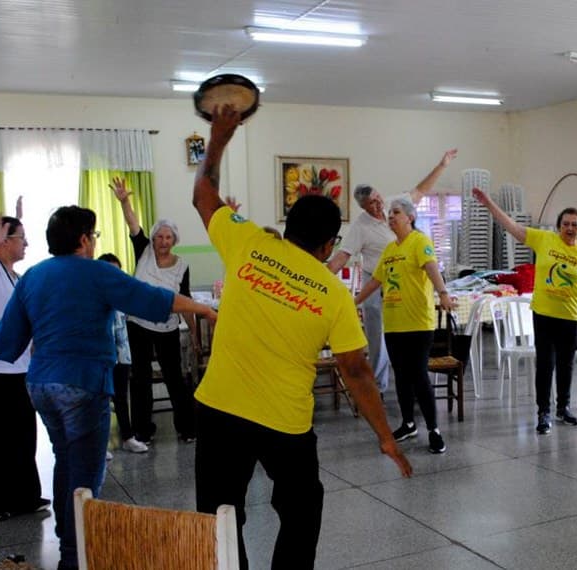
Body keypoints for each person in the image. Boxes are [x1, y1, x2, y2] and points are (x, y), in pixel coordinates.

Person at [192, 104, 412, 570]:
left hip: (221, 409)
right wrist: (384, 435)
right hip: (283, 423)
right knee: (301, 512)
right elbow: (356, 370)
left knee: (218, 519)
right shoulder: (333, 294)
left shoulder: (248, 242)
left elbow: (203, 194)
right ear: (330, 244)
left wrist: (219, 138)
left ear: (289, 226)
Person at [0, 205, 216, 570]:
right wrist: (205, 309)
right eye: (94, 235)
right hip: (81, 384)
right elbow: (152, 298)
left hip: (42, 387)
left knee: (66, 461)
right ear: (84, 239)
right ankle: (75, 558)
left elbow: (7, 333)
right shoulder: (96, 272)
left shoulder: (34, 276)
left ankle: (70, 544)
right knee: (86, 474)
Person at [326, 149, 457, 395]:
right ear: (362, 208)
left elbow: (421, 191)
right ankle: (379, 384)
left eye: (378, 200)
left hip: (405, 276)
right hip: (375, 276)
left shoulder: (401, 213)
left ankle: (415, 379)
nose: (379, 208)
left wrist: (442, 164)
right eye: (371, 205)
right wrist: (320, 277)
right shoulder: (361, 226)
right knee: (377, 333)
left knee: (408, 329)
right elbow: (342, 257)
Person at [472, 188, 577, 434]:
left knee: (567, 365)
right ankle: (543, 412)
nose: (570, 228)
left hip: (571, 317)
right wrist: (489, 204)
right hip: (545, 315)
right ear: (559, 226)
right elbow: (513, 227)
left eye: (575, 224)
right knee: (545, 363)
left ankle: (564, 407)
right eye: (566, 224)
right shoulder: (544, 239)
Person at [355, 197, 455, 454]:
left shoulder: (420, 242)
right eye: (389, 214)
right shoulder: (390, 250)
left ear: (410, 217)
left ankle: (434, 430)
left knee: (419, 375)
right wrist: (353, 301)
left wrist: (443, 293)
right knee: (401, 376)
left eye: (396, 213)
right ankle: (408, 423)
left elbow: (432, 268)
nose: (390, 217)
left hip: (418, 324)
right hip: (394, 325)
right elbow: (375, 282)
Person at [0, 217, 49, 521]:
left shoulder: (15, 277)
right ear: (5, 241)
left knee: (22, 434)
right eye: (21, 238)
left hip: (18, 368)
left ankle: (24, 497)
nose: (26, 243)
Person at [109, 177, 198, 444]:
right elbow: (133, 224)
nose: (162, 241)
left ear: (174, 240)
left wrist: (193, 332)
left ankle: (187, 429)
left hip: (167, 327)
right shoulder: (143, 250)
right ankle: (143, 431)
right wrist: (125, 201)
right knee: (140, 379)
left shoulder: (182, 266)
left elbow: (185, 300)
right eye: (159, 236)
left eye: (168, 237)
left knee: (175, 378)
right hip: (138, 325)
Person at [98, 253, 148, 454]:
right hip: (101, 355)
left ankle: (127, 436)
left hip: (122, 353)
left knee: (121, 396)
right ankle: (101, 444)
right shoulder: (94, 296)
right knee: (101, 398)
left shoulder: (124, 295)